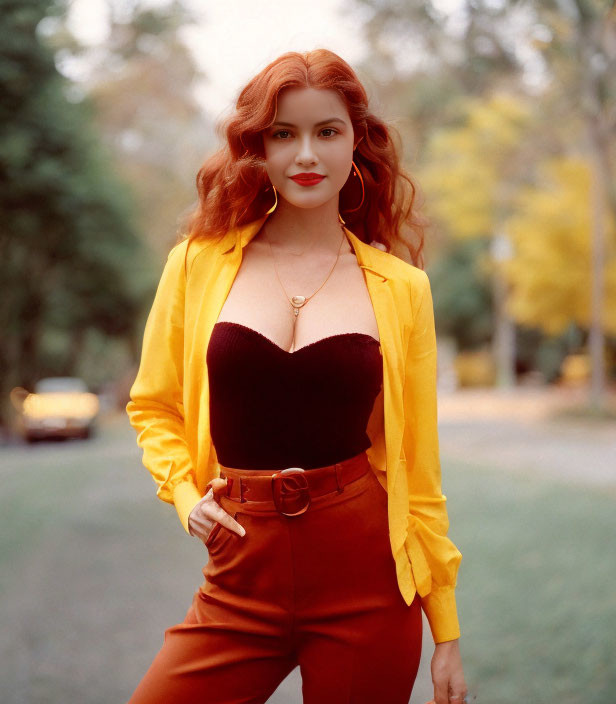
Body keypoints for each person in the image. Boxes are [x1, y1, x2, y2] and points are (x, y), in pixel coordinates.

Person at [125, 49, 467, 704]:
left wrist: (445, 629)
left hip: (366, 580)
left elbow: (417, 470)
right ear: (259, 148)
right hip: (238, 576)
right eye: (284, 134)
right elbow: (154, 405)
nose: (305, 155)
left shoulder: (402, 290)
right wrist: (183, 492)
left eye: (326, 132)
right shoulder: (197, 264)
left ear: (355, 144)